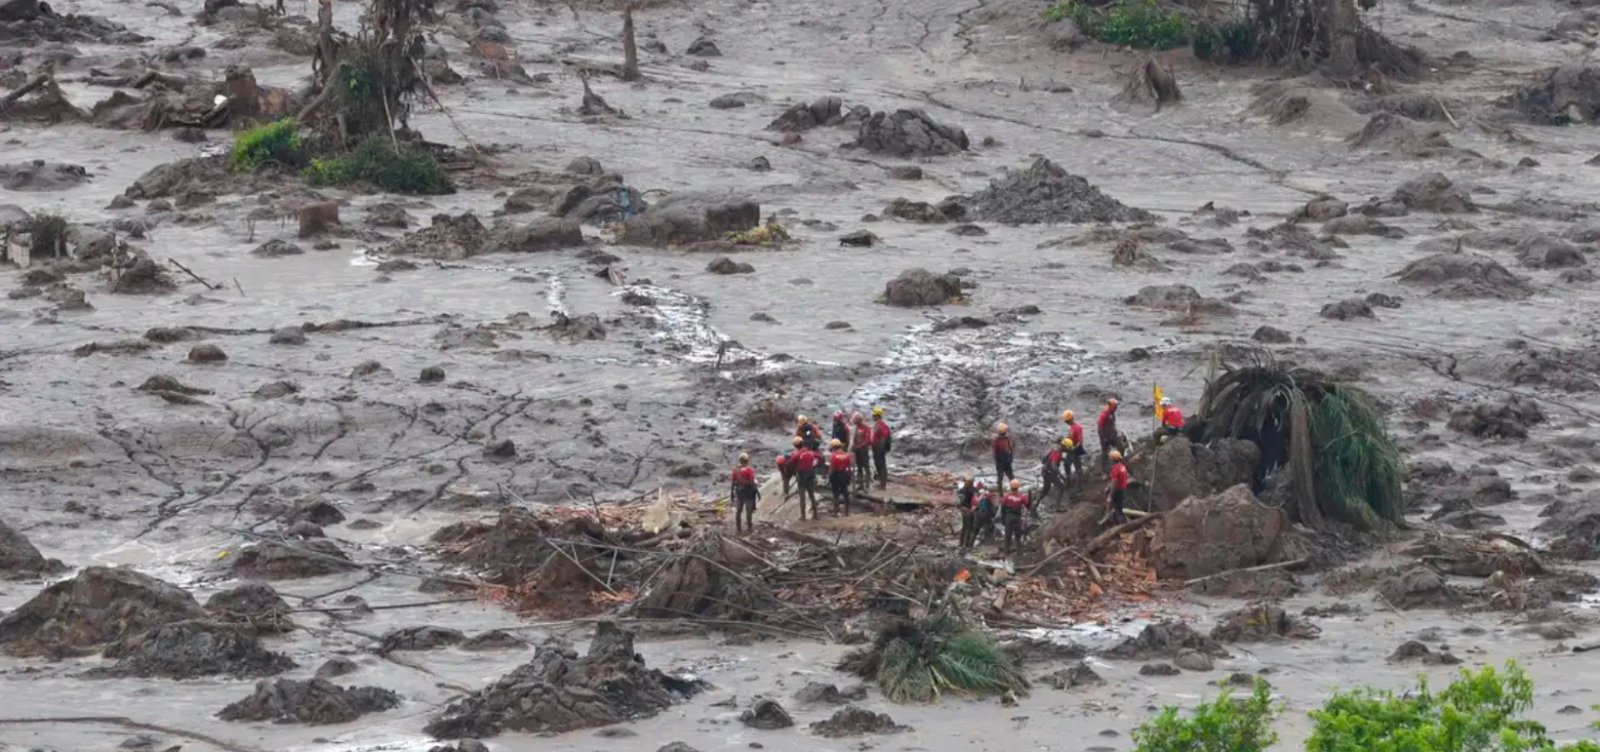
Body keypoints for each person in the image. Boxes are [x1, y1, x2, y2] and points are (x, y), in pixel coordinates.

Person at [730, 453, 760, 535]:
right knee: (748, 511)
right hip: (748, 493)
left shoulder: (735, 470)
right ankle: (749, 528)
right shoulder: (749, 470)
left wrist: (732, 494)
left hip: (739, 492)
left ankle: (738, 529)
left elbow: (733, 482)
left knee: (738, 511)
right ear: (747, 461)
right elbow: (751, 482)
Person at [790, 440, 821, 520]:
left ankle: (803, 516)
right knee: (811, 494)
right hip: (811, 474)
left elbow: (792, 461)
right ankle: (816, 514)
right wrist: (815, 465)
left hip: (802, 476)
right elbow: (820, 458)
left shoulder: (798, 453)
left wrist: (795, 469)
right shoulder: (812, 453)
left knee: (802, 495)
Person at [1000, 479, 1029, 558]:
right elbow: (1027, 505)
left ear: (1010, 487)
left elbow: (1003, 508)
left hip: (1009, 517)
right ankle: (1019, 552)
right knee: (1018, 535)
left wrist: (1002, 519)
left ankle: (1007, 552)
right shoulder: (1022, 497)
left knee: (1008, 535)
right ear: (1018, 487)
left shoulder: (1007, 497)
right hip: (1017, 517)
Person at [1041, 438, 1071, 508]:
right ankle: (1057, 507)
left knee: (1045, 490)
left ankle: (1034, 506)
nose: (1067, 450)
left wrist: (1063, 459)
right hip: (1050, 473)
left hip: (1045, 471)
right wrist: (1061, 476)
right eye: (1067, 448)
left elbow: (1050, 459)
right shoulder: (1058, 453)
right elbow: (1054, 465)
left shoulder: (1055, 449)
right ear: (1064, 446)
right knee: (1061, 488)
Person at [1097, 398, 1126, 472]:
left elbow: (1112, 424)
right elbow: (1100, 428)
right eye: (1115, 407)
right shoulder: (1104, 415)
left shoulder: (1112, 413)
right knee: (1105, 453)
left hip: (1113, 435)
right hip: (1105, 436)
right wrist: (1104, 438)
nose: (1116, 408)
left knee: (1121, 446)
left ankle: (1120, 462)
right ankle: (1104, 470)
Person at [827, 438, 853, 516]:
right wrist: (849, 477)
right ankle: (847, 512)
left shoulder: (833, 456)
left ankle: (836, 512)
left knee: (835, 494)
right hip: (844, 474)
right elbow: (849, 467)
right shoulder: (846, 455)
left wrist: (829, 476)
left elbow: (832, 468)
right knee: (845, 493)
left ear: (833, 447)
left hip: (836, 475)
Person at [1106, 449, 1131, 525]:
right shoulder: (1122, 467)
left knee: (1118, 509)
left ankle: (1122, 525)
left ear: (1113, 459)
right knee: (1121, 507)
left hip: (1118, 491)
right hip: (1123, 489)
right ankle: (1122, 522)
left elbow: (1114, 483)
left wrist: (1110, 496)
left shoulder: (1115, 469)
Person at [851, 412, 874, 490]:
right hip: (857, 449)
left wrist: (859, 446)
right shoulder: (855, 428)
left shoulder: (866, 428)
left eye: (855, 419)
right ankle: (860, 483)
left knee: (866, 466)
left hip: (863, 450)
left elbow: (868, 440)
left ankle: (867, 482)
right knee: (859, 466)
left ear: (859, 420)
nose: (854, 421)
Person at [1062, 409, 1086, 483]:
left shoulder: (1077, 427)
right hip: (1072, 448)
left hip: (1075, 449)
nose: (1067, 423)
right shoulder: (1072, 427)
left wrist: (1074, 448)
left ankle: (1075, 482)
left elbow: (1080, 441)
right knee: (1069, 464)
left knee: (1073, 466)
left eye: (1067, 421)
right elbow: (1071, 436)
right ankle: (1071, 479)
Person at [955, 474, 978, 551]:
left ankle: (962, 544)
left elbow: (958, 502)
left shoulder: (961, 490)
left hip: (965, 510)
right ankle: (966, 544)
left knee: (965, 527)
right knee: (969, 528)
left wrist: (962, 508)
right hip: (969, 510)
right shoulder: (973, 490)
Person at [871, 406, 892, 489]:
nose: (872, 417)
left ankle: (883, 485)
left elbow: (883, 437)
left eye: (873, 415)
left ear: (877, 416)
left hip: (879, 448)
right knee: (878, 465)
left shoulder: (882, 425)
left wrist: (881, 449)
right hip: (876, 447)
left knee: (881, 465)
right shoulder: (877, 424)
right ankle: (881, 483)